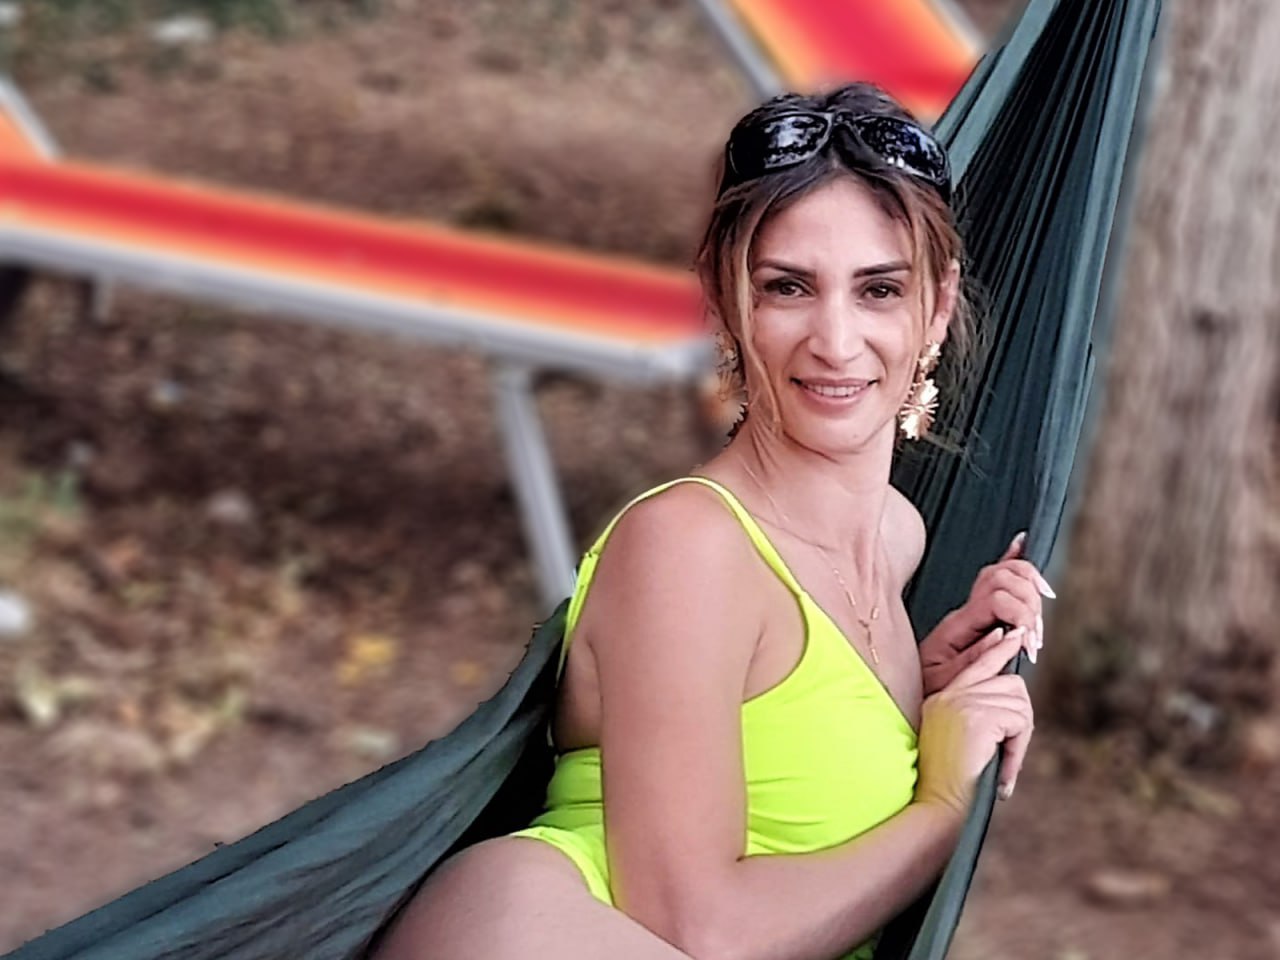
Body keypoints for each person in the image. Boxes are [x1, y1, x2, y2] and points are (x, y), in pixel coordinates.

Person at [374, 82, 1046, 960]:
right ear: (727, 301)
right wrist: (942, 809)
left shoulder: (896, 535)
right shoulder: (688, 547)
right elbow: (700, 928)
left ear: (939, 305)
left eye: (879, 289)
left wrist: (921, 706)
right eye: (788, 288)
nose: (836, 341)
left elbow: (779, 761)